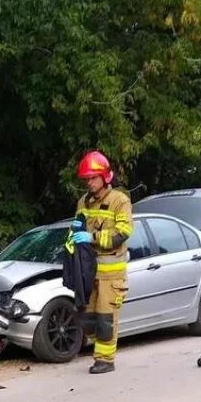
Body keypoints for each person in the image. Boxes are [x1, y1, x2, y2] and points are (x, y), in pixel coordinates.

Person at [68, 150, 134, 374]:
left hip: (111, 274)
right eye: (86, 179)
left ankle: (105, 360)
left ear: (105, 177)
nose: (89, 183)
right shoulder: (83, 202)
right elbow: (75, 228)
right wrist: (71, 240)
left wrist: (93, 238)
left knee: (106, 318)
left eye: (93, 178)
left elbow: (123, 232)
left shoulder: (119, 201)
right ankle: (100, 348)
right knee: (86, 318)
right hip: (88, 271)